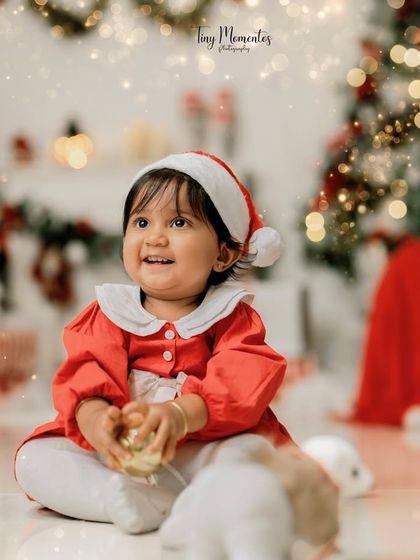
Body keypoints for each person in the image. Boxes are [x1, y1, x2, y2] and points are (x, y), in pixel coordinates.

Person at [14, 151, 291, 535]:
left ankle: (185, 500)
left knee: (251, 457)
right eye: (141, 222)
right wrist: (96, 420)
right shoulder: (111, 311)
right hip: (122, 450)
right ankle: (117, 498)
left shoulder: (230, 316)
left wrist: (181, 415)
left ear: (224, 254)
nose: (155, 237)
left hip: (198, 446)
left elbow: (242, 380)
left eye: (179, 222)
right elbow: (85, 370)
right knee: (34, 459)